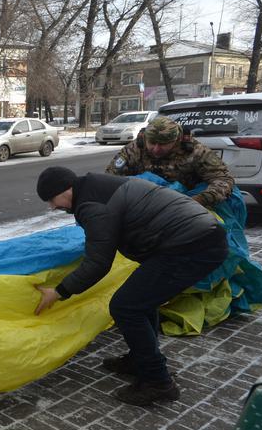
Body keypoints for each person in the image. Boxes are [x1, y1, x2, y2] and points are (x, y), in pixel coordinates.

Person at [33, 166, 228, 406]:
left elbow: (98, 263)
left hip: (191, 246)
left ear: (67, 189)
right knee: (141, 300)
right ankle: (140, 359)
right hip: (194, 238)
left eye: (52, 199)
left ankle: (158, 382)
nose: (53, 207)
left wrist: (59, 292)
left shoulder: (93, 205)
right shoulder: (97, 187)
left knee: (126, 307)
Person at [105, 115, 234, 207]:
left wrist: (199, 200)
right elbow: (111, 178)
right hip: (142, 202)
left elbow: (223, 179)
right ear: (145, 138)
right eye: (152, 143)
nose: (156, 149)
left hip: (186, 203)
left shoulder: (196, 151)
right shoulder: (134, 150)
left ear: (176, 141)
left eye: (163, 144)